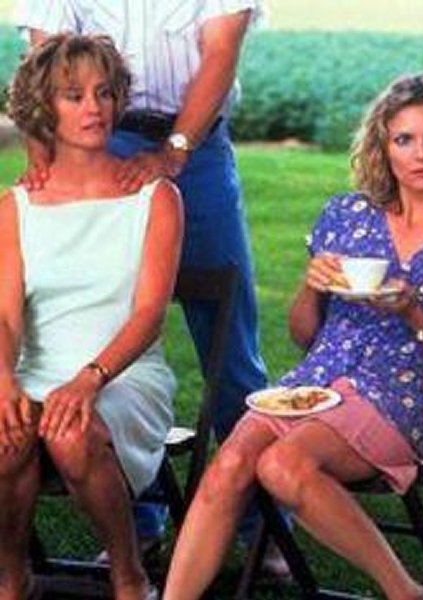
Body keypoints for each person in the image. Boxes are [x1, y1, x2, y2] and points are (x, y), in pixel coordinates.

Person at [162, 72, 423, 600]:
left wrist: (413, 313)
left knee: (282, 465)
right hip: (308, 387)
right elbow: (303, 334)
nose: (421, 154)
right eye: (404, 139)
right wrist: (312, 285)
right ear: (383, 148)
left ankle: (405, 592)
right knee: (229, 465)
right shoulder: (346, 216)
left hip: (390, 401)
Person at [15, 0, 269, 551]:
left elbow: (220, 51)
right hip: (98, 135)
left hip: (195, 147)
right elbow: (44, 62)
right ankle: (138, 526)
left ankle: (262, 526)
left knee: (229, 345)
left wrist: (174, 152)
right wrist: (43, 159)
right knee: (94, 322)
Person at [0, 34, 182, 600]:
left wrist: (89, 379)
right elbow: (5, 318)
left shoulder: (155, 197)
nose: (94, 108)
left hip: (124, 376)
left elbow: (149, 315)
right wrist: (3, 378)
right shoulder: (16, 207)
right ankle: (11, 578)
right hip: (36, 370)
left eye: (104, 93)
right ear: (44, 106)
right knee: (5, 430)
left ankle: (129, 576)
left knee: (73, 430)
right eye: (74, 95)